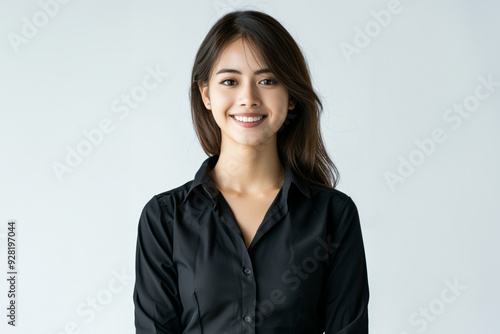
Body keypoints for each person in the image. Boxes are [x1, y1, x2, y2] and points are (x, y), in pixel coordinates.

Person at [133, 10, 369, 334]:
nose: (248, 98)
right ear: (205, 93)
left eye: (267, 81)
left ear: (290, 98)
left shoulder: (333, 215)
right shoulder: (164, 219)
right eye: (230, 81)